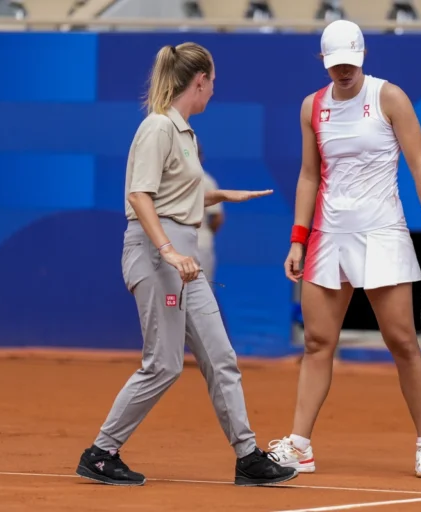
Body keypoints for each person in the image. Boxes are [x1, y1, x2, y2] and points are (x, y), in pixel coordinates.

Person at [76, 42, 297, 488]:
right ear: (199, 82)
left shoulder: (186, 134)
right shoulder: (157, 128)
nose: (214, 90)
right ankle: (101, 453)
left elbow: (175, 194)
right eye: (212, 82)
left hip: (184, 256)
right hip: (160, 255)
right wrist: (169, 252)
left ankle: (247, 456)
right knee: (164, 364)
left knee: (221, 357)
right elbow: (140, 196)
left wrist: (222, 195)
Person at [267, 20, 421, 479]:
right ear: (323, 62)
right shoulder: (312, 106)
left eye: (349, 63)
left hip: (383, 234)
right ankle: (300, 445)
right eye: (335, 65)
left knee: (403, 343)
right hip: (328, 238)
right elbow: (309, 175)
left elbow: (420, 167)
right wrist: (298, 237)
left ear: (362, 56)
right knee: (316, 343)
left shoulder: (390, 98)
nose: (343, 71)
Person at [196, 143, 224, 283]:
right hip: (175, 247)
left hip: (200, 245)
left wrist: (205, 233)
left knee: (202, 293)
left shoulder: (206, 181)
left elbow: (218, 217)